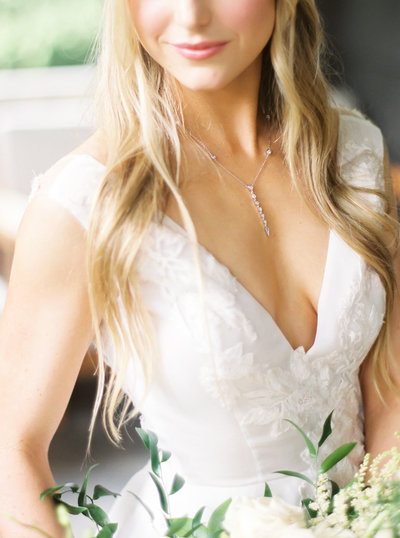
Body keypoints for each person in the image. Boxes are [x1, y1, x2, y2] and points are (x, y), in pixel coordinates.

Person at [0, 0, 399, 536]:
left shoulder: (357, 156)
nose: (190, 15)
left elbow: (389, 392)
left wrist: (380, 520)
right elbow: (11, 450)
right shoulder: (85, 205)